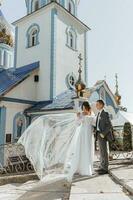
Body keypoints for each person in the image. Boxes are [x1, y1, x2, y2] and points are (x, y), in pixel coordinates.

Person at [18, 101, 95, 185]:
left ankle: (87, 168)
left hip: (88, 135)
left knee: (87, 150)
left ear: (88, 108)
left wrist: (86, 117)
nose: (83, 109)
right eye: (82, 108)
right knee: (80, 150)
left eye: (84, 108)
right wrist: (79, 118)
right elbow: (77, 124)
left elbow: (93, 122)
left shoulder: (92, 115)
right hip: (82, 134)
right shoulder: (81, 115)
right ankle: (80, 168)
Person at [95, 100, 114, 175]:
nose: (96, 106)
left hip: (103, 135)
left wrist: (103, 134)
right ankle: (102, 166)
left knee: (104, 151)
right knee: (101, 151)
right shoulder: (98, 113)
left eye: (97, 104)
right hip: (99, 134)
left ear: (101, 105)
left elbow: (109, 125)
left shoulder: (105, 113)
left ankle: (105, 168)